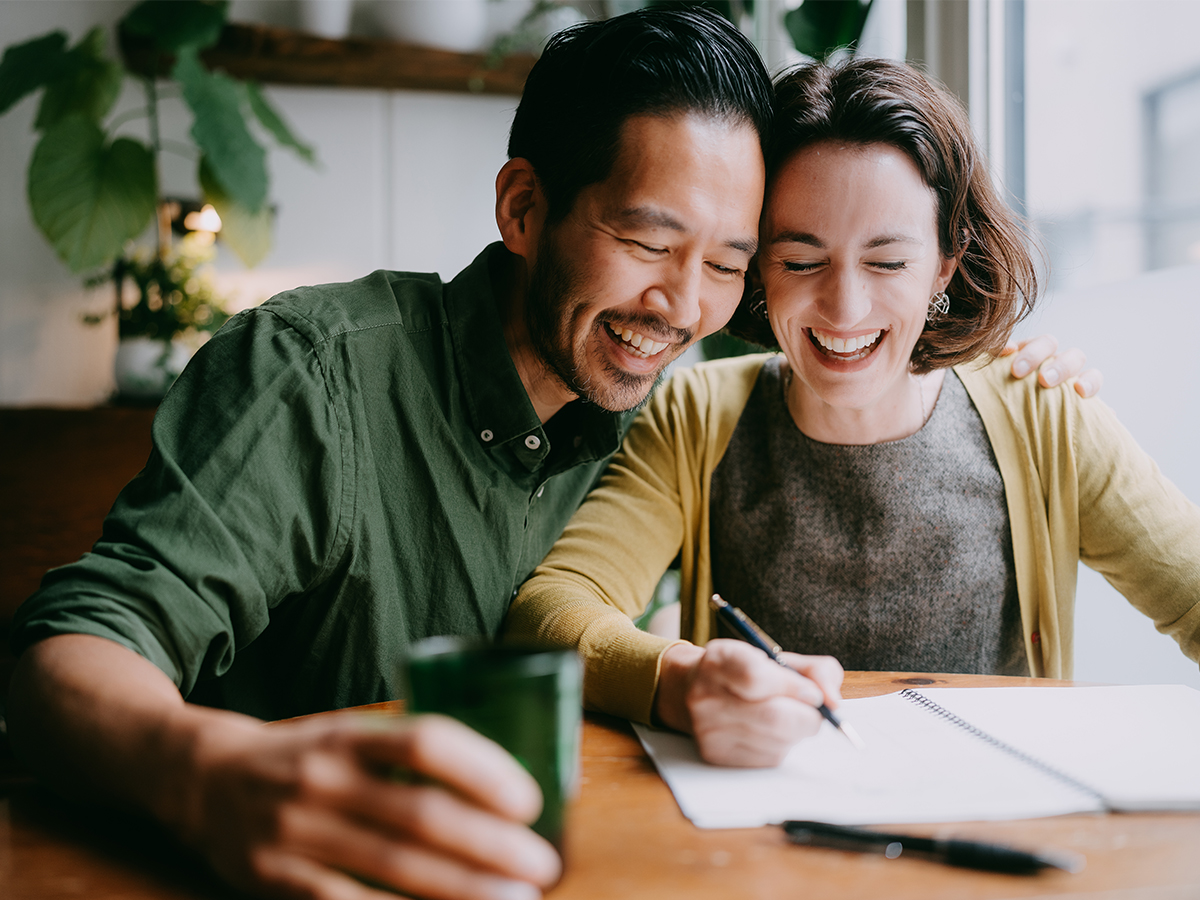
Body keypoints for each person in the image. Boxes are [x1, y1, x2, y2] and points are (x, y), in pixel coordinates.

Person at [7, 11, 1088, 898]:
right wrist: (212, 776)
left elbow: (859, 329)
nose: (683, 304)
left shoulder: (672, 394)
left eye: (727, 262)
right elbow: (67, 655)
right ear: (525, 207)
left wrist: (1012, 373)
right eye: (645, 242)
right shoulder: (315, 371)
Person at [503, 57, 1200, 771]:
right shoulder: (694, 416)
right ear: (758, 271)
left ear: (945, 266)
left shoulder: (1043, 415)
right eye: (801, 261)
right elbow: (553, 610)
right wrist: (681, 679)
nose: (845, 309)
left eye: (888, 262)